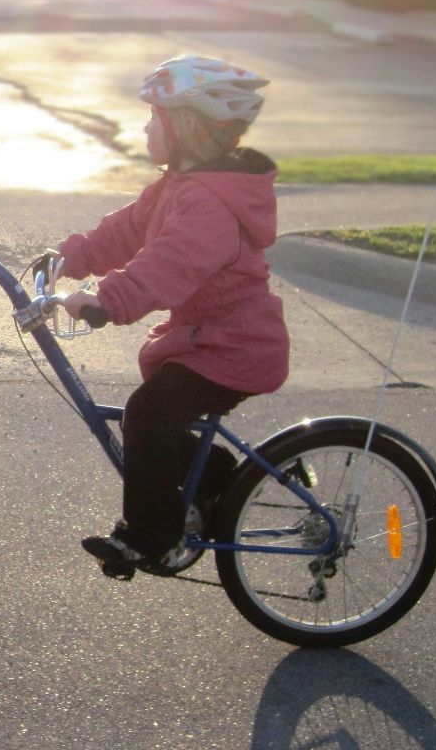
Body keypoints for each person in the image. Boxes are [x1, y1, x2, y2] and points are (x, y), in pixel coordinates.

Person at [47, 55, 289, 580]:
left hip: (234, 348)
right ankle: (221, 478)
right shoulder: (179, 186)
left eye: (154, 118)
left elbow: (168, 265)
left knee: (147, 417)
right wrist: (73, 258)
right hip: (208, 341)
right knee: (160, 419)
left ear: (186, 126)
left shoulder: (209, 203)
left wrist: (109, 299)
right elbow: (129, 231)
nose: (145, 128)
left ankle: (151, 536)